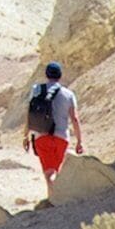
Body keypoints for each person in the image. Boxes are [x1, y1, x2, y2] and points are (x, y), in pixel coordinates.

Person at [25, 61, 86, 204]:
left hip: (41, 136)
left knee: (48, 172)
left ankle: (53, 201)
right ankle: (57, 200)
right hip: (61, 138)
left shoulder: (36, 90)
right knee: (56, 171)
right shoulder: (68, 94)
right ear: (60, 75)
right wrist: (79, 141)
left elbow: (29, 113)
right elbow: (75, 119)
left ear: (46, 75)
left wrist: (25, 135)